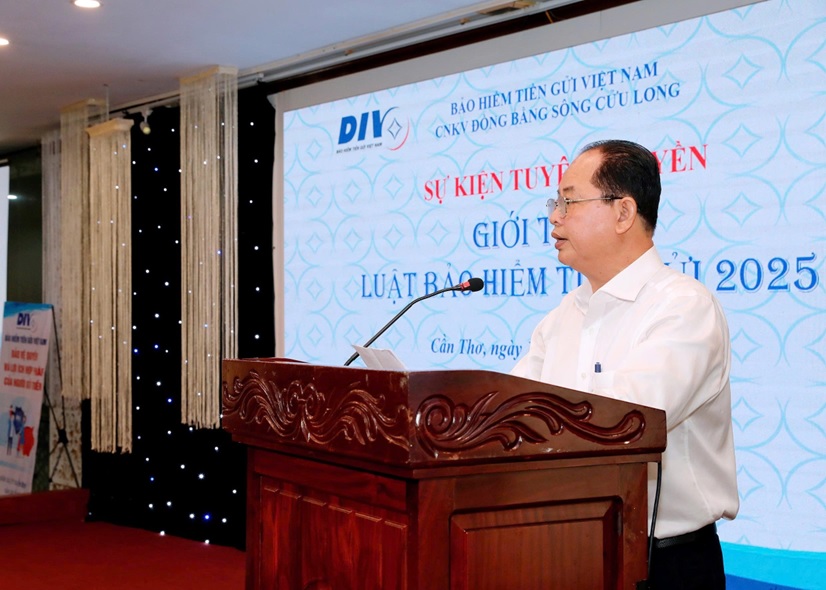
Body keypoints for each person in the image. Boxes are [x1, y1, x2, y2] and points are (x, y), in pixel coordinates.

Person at [511, 139, 739, 589]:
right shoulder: (562, 316)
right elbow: (509, 411)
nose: (554, 217)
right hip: (570, 549)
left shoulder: (683, 306)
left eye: (569, 201)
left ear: (623, 213)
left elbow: (630, 420)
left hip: (666, 563)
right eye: (555, 203)